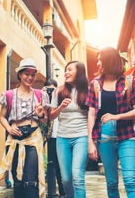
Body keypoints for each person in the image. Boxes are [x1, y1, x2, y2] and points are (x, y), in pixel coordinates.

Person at [86, 47, 135, 198]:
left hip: (127, 137)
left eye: (100, 59)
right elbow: (91, 114)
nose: (98, 63)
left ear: (109, 61)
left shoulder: (129, 82)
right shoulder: (95, 85)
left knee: (130, 181)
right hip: (104, 139)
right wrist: (90, 141)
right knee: (111, 184)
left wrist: (116, 116)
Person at [0, 58, 50, 198]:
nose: (30, 77)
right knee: (17, 181)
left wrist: (41, 113)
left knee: (30, 181)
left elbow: (45, 120)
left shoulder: (40, 95)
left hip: (33, 138)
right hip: (14, 139)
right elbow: (2, 117)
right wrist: (8, 128)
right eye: (27, 73)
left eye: (33, 74)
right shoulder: (8, 95)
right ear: (19, 74)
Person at [49, 61, 88, 198]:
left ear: (79, 72)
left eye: (70, 70)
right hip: (62, 138)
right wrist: (60, 108)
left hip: (82, 136)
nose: (66, 72)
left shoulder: (87, 91)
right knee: (66, 179)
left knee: (77, 176)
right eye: (65, 70)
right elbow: (51, 116)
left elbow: (92, 115)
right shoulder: (58, 91)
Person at [43, 78, 65, 198]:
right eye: (48, 88)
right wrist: (44, 96)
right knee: (53, 164)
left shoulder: (60, 97)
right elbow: (43, 117)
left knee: (62, 165)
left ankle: (63, 191)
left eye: (53, 88)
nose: (51, 91)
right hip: (51, 137)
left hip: (62, 135)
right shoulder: (43, 99)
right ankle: (54, 192)